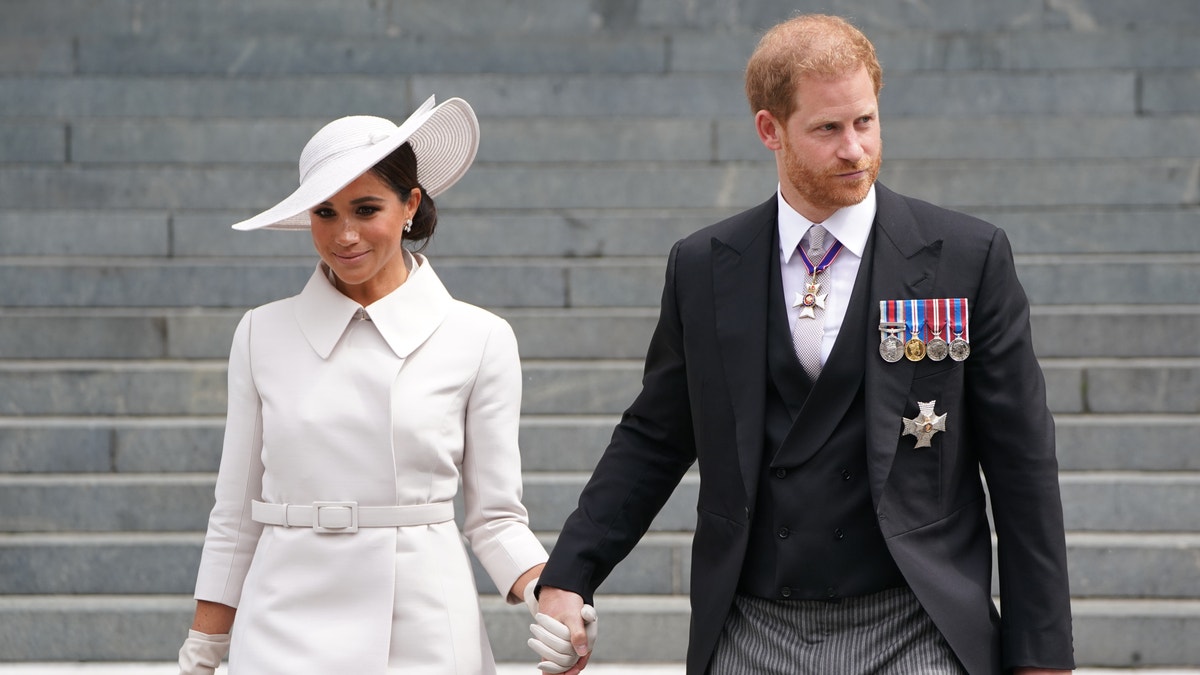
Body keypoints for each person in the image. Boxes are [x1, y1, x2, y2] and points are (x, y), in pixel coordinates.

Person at [531, 14, 1075, 675]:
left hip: (918, 623)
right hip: (751, 624)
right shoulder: (704, 265)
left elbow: (1023, 464)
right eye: (828, 129)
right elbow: (654, 434)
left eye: (866, 122)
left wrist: (1041, 655)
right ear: (770, 130)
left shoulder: (966, 257)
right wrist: (570, 574)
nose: (855, 149)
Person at [176, 96, 549, 674]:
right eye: (324, 213)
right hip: (282, 622)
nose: (344, 234)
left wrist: (553, 597)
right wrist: (204, 648)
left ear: (410, 205)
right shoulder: (261, 333)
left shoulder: (479, 337)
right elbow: (235, 514)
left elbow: (496, 519)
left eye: (366, 208)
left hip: (424, 625)